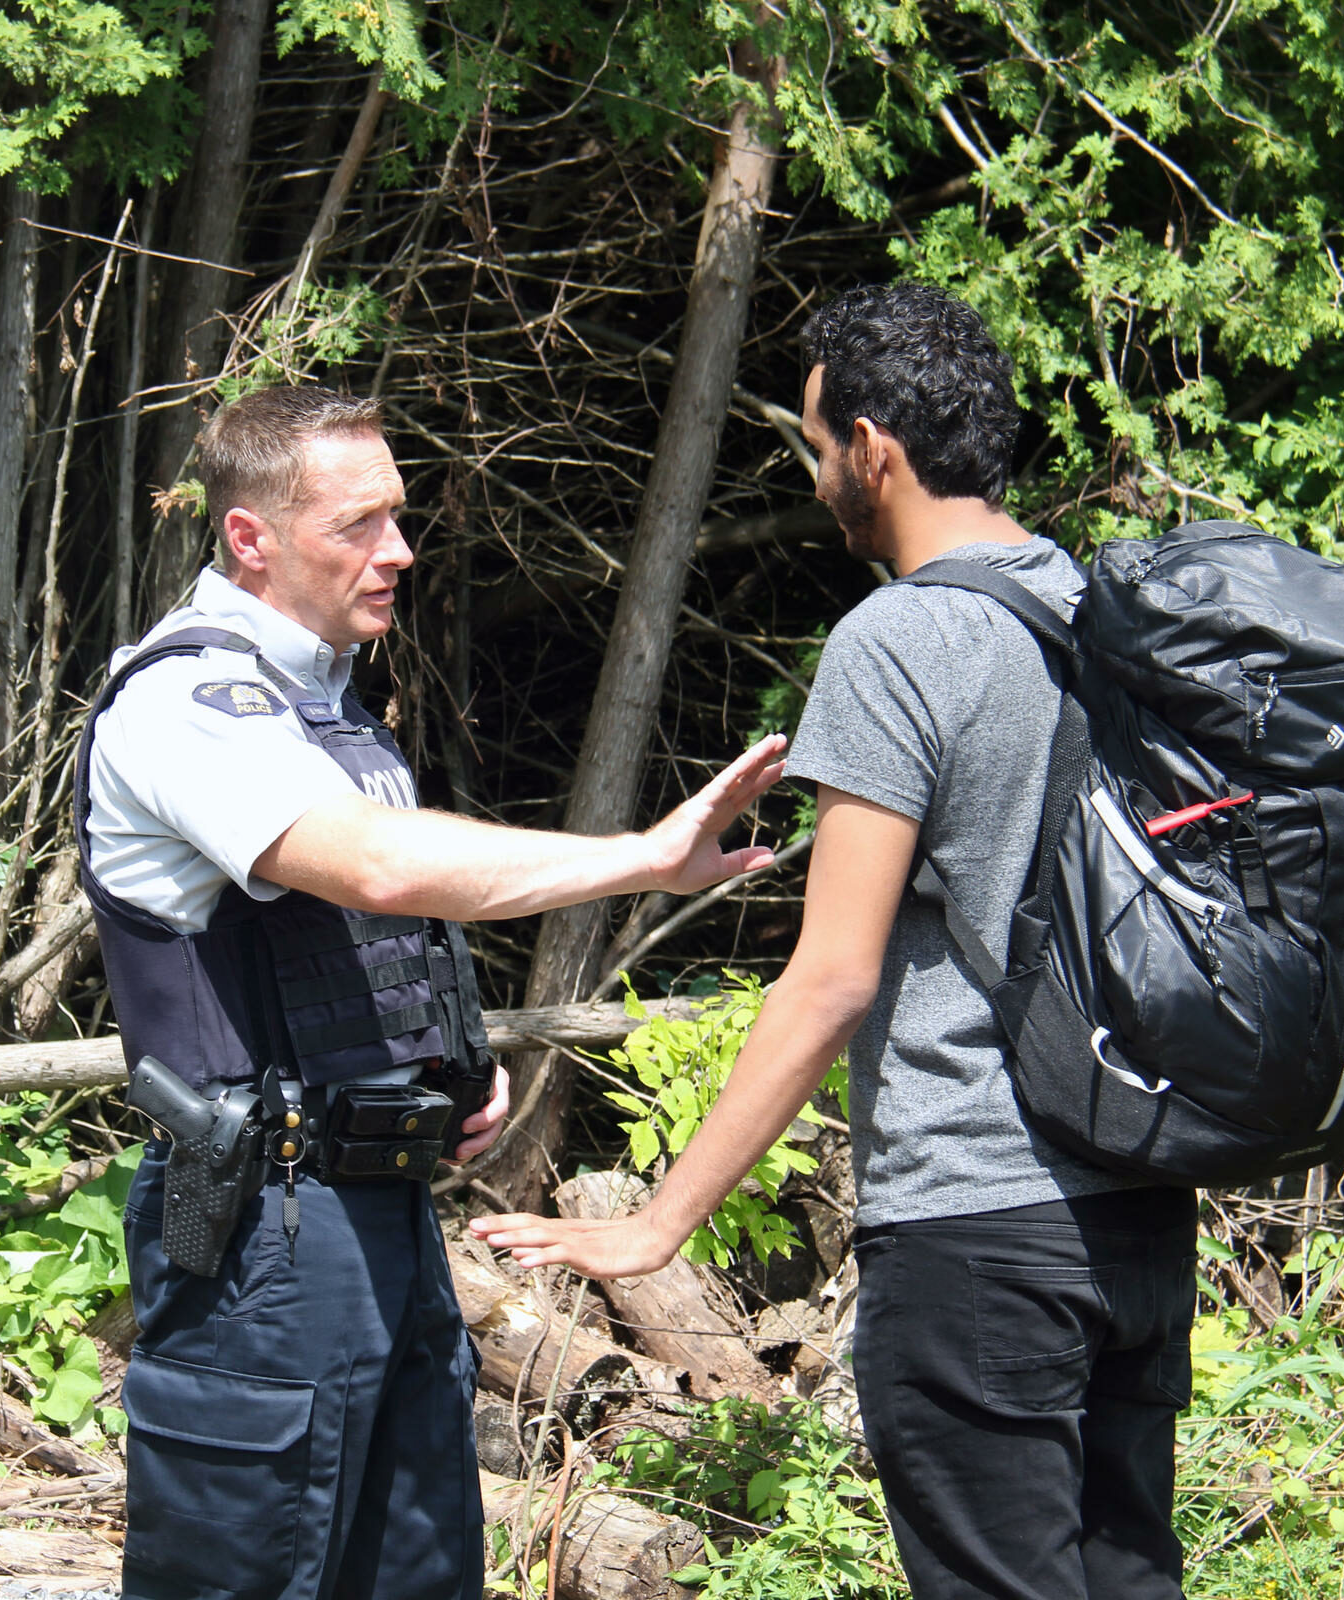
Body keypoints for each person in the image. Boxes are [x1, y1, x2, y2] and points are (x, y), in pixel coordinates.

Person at [470, 282, 1196, 1600]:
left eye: (815, 447)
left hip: (978, 1229)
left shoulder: (904, 640)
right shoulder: (1096, 614)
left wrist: (660, 1223)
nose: (814, 482)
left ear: (877, 451)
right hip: (1137, 1220)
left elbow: (832, 976)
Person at [75, 383, 787, 1600]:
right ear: (250, 537)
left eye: (398, 516)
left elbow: (361, 935)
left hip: (380, 1217)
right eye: (358, 523)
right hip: (262, 1232)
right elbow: (381, 867)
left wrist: (443, 1063)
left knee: (414, 1575)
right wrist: (644, 856)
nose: (397, 550)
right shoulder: (186, 699)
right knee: (250, 1572)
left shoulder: (328, 707)